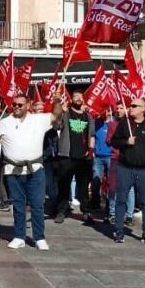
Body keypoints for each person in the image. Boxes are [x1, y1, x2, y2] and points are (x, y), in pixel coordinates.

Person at [0, 92, 60, 250]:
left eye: (20, 104)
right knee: (18, 205)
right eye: (14, 104)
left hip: (35, 169)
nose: (16, 107)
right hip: (13, 170)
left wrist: (57, 100)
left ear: (28, 106)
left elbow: (56, 115)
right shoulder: (4, 122)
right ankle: (19, 236)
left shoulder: (39, 119)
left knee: (37, 204)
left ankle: (39, 237)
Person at [108, 99, 145, 244]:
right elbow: (113, 141)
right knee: (121, 200)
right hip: (125, 168)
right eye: (130, 105)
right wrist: (126, 141)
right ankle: (119, 232)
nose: (130, 108)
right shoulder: (124, 124)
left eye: (134, 106)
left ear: (143, 109)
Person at [52, 89, 96, 223]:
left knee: (83, 186)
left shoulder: (88, 116)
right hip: (67, 156)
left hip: (83, 157)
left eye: (80, 96)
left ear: (83, 99)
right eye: (75, 96)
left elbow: (92, 134)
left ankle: (86, 212)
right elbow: (56, 125)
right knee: (64, 185)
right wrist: (58, 105)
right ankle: (61, 211)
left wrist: (91, 149)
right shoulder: (66, 114)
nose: (78, 98)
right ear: (71, 99)